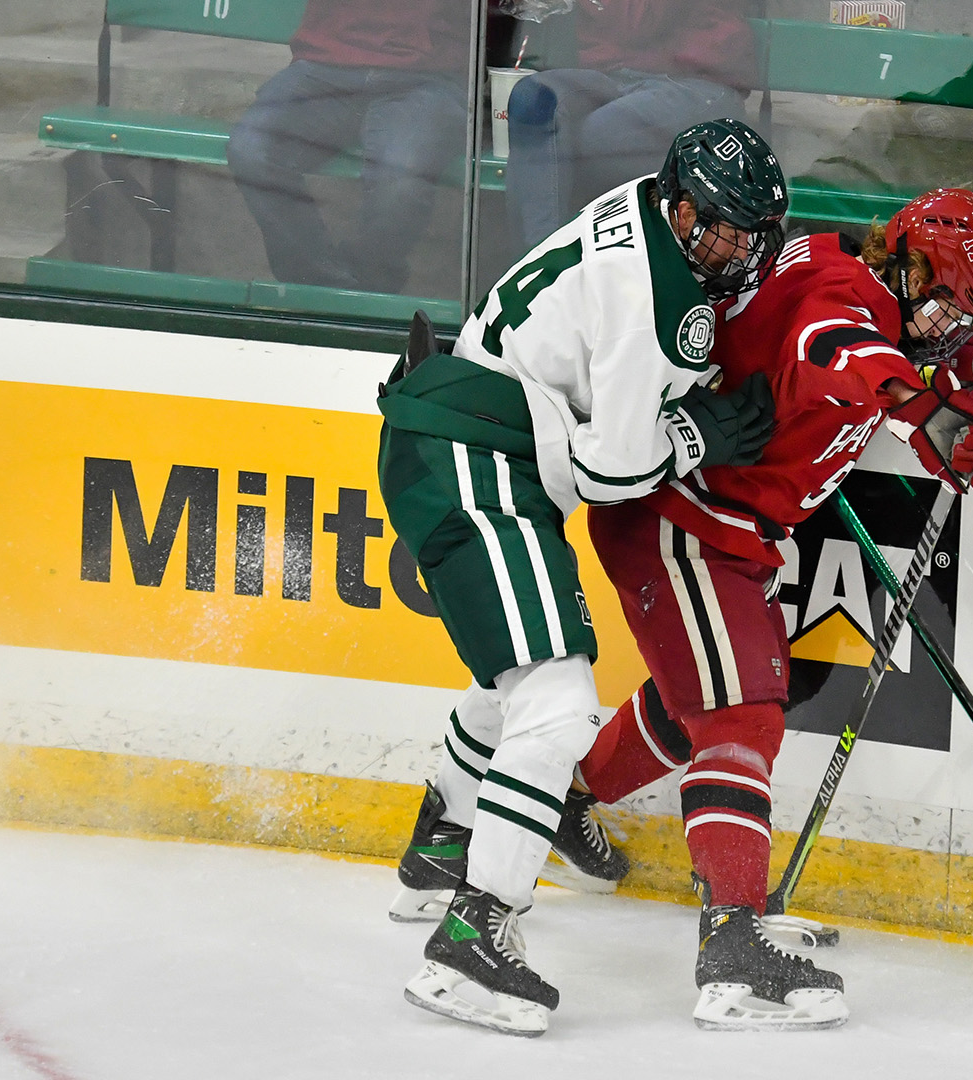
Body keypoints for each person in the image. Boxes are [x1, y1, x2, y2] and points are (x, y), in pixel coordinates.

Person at [375, 118, 788, 1037]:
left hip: (461, 432)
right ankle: (474, 941)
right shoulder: (662, 303)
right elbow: (609, 475)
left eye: (747, 231)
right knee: (560, 704)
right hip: (477, 453)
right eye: (717, 226)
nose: (733, 247)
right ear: (680, 208)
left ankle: (441, 844)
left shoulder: (646, 213)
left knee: (514, 682)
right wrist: (699, 435)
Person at [575, 189, 973, 1030]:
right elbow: (831, 348)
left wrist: (951, 378)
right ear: (914, 263)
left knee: (696, 705)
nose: (948, 326)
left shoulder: (848, 273)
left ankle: (568, 801)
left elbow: (858, 352)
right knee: (741, 714)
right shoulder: (848, 297)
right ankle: (733, 946)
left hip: (725, 526)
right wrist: (927, 405)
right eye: (949, 305)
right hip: (686, 518)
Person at [226, 0, 468, 294]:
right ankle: (326, 294)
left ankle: (363, 291)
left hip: (430, 74)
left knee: (400, 182)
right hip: (326, 62)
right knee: (252, 150)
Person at [503, 0, 756, 253]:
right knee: (533, 100)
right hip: (613, 75)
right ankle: (538, 263)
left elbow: (639, 21)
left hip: (694, 79)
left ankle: (554, 262)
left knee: (565, 147)